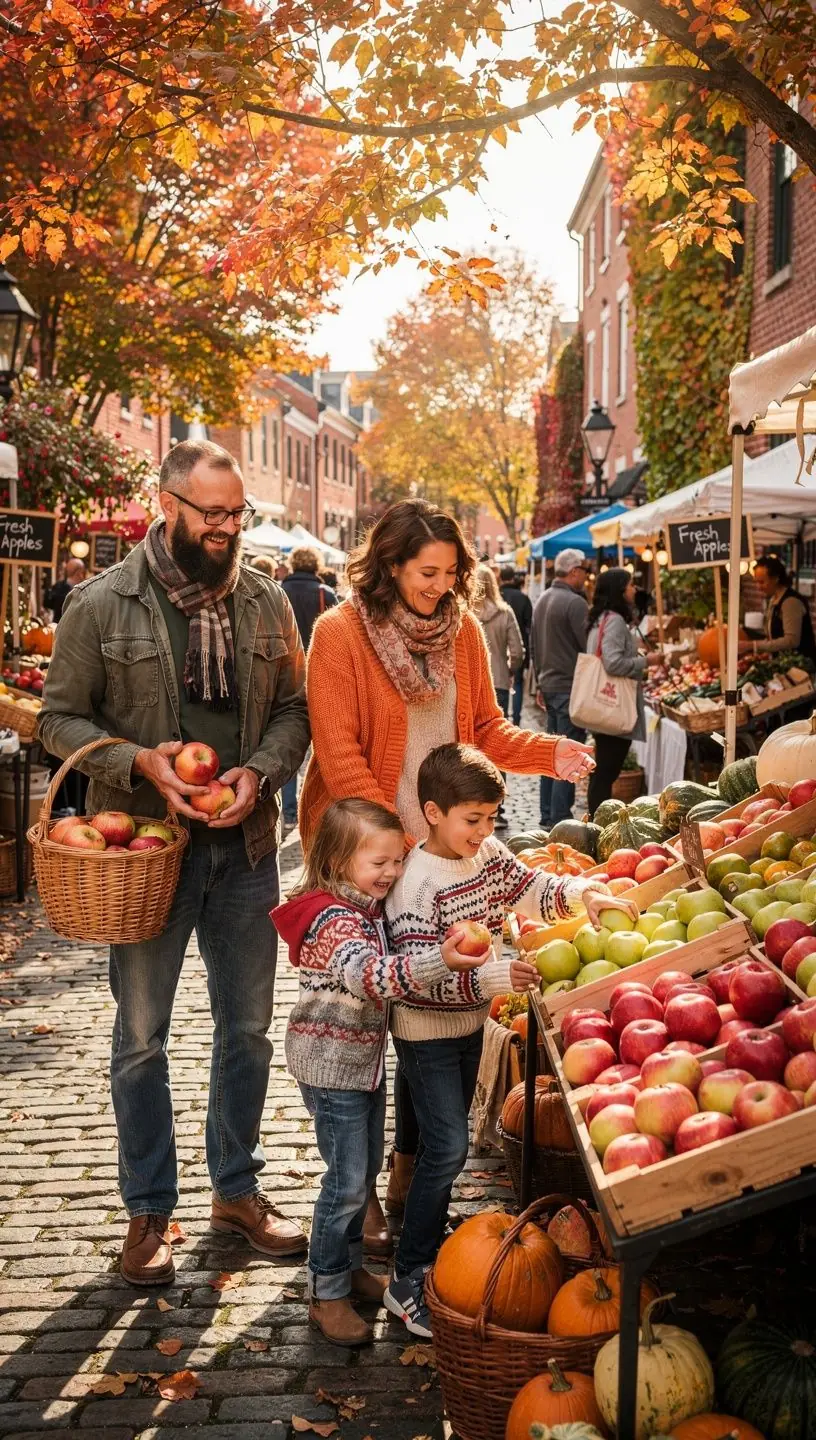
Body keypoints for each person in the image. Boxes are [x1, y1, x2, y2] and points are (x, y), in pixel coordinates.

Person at [39, 439, 311, 1287]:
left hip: (245, 847)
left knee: (250, 1033)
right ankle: (149, 1210)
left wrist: (259, 773)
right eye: (213, 514)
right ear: (169, 506)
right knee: (141, 1040)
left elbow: (296, 708)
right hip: (146, 853)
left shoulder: (266, 601)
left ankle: (236, 1189)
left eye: (239, 515)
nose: (228, 529)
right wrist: (138, 763)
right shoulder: (101, 602)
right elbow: (57, 720)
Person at [299, 499, 595, 1252]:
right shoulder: (338, 633)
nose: (441, 585)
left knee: (426, 1019)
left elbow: (487, 734)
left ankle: (408, 1177)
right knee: (367, 1024)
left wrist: (548, 752)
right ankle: (357, 1191)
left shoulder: (461, 630)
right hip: (367, 858)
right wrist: (399, 857)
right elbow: (340, 760)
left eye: (452, 572)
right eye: (427, 572)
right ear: (390, 565)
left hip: (441, 853)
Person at [383, 743, 637, 1337]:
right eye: (473, 820)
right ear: (432, 812)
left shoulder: (488, 854)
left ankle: (425, 1227)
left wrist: (584, 895)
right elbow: (416, 980)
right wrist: (493, 977)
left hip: (470, 1026)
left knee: (443, 1143)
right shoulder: (416, 885)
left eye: (492, 818)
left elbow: (530, 886)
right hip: (426, 1032)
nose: (484, 830)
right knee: (447, 1146)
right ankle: (408, 1275)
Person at [273, 797, 504, 1346]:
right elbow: (370, 975)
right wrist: (439, 961)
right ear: (335, 861)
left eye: (396, 861)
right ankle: (325, 1291)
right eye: (378, 863)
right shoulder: (333, 920)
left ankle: (349, 1269)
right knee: (347, 1182)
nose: (392, 873)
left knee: (363, 1169)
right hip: (332, 1069)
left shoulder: (363, 908)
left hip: (361, 1066)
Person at [585, 566, 663, 816]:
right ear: (620, 590)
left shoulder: (601, 617)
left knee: (603, 771)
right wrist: (646, 661)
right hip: (613, 706)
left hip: (601, 703)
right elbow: (613, 662)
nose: (634, 589)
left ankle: (596, 819)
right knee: (607, 772)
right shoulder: (615, 621)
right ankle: (598, 822)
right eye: (630, 585)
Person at [531, 547, 591, 829]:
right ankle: (559, 818)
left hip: (550, 684)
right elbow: (588, 648)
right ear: (574, 571)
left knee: (550, 753)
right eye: (584, 571)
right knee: (568, 754)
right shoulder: (575, 603)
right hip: (569, 687)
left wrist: (538, 684)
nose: (586, 577)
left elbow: (534, 646)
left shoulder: (543, 599)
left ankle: (547, 814)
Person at [280, 549, 339, 824]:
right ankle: (319, 808)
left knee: (287, 738)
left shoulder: (278, 591)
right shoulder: (325, 594)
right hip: (321, 674)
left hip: (287, 672)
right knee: (325, 743)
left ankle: (290, 810)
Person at [473, 564, 524, 829]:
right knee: (497, 742)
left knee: (471, 742)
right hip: (500, 682)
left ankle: (471, 802)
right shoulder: (505, 614)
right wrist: (509, 669)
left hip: (470, 684)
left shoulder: (465, 613)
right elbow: (517, 651)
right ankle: (496, 806)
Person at [738, 555, 816, 665]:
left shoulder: (790, 602)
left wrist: (752, 645)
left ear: (775, 579)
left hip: (800, 667)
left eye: (762, 582)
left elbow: (791, 641)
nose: (758, 587)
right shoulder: (774, 599)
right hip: (783, 664)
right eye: (756, 582)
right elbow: (772, 637)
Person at [500, 566, 533, 725]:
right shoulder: (522, 598)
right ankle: (517, 720)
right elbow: (530, 626)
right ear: (513, 578)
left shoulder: (497, 598)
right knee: (518, 683)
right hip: (517, 648)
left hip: (497, 652)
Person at [45, 557, 86, 622]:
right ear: (79, 572)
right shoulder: (84, 589)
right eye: (83, 571)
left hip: (58, 626)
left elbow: (47, 604)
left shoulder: (58, 586)